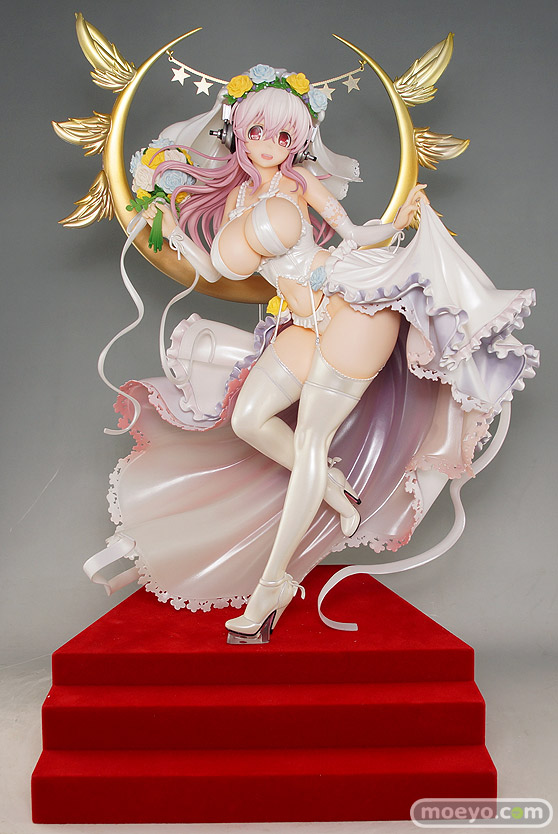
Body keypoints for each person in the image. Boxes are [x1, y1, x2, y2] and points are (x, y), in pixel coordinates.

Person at [89, 66, 538, 644]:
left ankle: (271, 587)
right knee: (249, 418)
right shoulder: (238, 200)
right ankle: (330, 484)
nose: (270, 145)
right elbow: (212, 270)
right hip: (301, 321)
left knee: (308, 438)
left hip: (353, 309)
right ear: (238, 131)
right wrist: (172, 225)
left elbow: (353, 234)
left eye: (283, 136)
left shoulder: (299, 183)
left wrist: (399, 222)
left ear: (298, 140)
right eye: (258, 132)